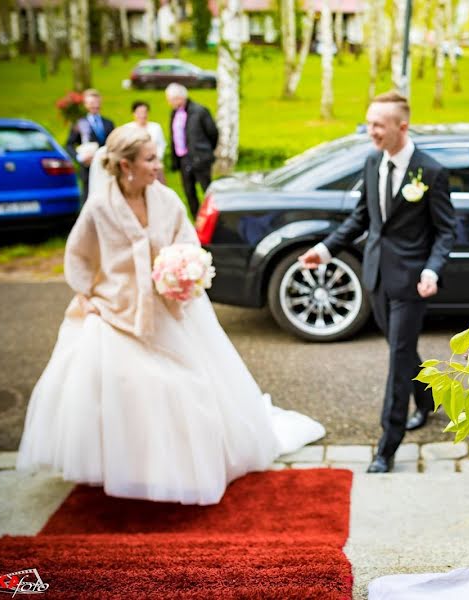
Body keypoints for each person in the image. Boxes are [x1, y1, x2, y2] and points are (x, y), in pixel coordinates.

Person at [17, 125, 324, 505]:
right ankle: (128, 470)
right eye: (149, 159)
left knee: (188, 386)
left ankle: (184, 469)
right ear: (126, 165)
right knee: (123, 384)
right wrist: (88, 295)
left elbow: (189, 246)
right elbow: (77, 255)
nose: (157, 166)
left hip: (169, 310)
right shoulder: (99, 206)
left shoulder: (167, 201)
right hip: (116, 310)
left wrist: (183, 275)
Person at [298, 91, 456, 474]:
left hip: (411, 283)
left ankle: (388, 444)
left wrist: (431, 270)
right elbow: (361, 219)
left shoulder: (430, 171)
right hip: (375, 277)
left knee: (398, 357)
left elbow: (446, 231)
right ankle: (428, 399)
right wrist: (325, 249)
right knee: (402, 350)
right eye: (369, 124)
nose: (370, 132)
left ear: (401, 127)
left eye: (377, 126)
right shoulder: (372, 162)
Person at [166, 83, 218, 217]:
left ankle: (212, 216)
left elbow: (213, 133)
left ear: (180, 98)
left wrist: (205, 150)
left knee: (207, 189)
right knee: (189, 191)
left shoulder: (199, 111)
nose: (169, 102)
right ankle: (197, 218)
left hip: (199, 157)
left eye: (171, 99)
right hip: (183, 158)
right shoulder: (174, 113)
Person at [65, 89, 115, 202]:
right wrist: (80, 157)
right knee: (89, 200)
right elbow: (69, 145)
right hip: (88, 169)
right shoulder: (80, 123)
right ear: (86, 105)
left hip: (105, 167)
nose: (95, 106)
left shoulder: (109, 123)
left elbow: (114, 144)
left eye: (97, 102)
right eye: (92, 103)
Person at [128, 100, 167, 183]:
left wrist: (157, 157)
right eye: (139, 112)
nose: (143, 115)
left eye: (145, 112)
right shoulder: (128, 128)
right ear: (134, 113)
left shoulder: (155, 127)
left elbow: (161, 144)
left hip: (155, 162)